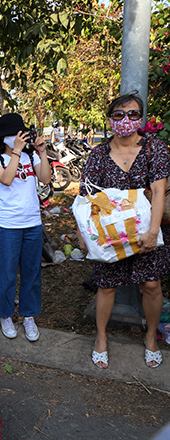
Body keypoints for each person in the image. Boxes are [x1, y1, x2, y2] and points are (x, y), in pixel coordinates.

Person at [79, 93, 170, 369]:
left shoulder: (156, 149)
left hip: (146, 233)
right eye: (118, 115)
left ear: (141, 118)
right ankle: (101, 338)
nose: (125, 120)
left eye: (132, 114)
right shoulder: (98, 155)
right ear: (110, 120)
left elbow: (158, 191)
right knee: (106, 287)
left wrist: (154, 231)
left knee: (151, 285)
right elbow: (85, 197)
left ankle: (151, 338)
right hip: (110, 236)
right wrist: (84, 237)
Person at [0, 113, 52, 342]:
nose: (19, 137)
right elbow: (5, 179)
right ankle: (4, 314)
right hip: (8, 225)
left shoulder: (29, 156)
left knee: (32, 273)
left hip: (32, 223)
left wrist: (42, 152)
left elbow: (45, 179)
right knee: (6, 273)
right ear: (4, 137)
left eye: (21, 133)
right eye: (15, 134)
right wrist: (15, 152)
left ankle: (29, 315)